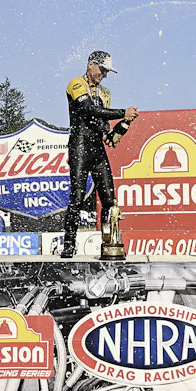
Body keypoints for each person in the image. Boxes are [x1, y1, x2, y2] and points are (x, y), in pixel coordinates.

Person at [62, 51, 138, 258]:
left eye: (106, 72)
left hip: (97, 149)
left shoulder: (105, 92)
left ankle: (108, 243)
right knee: (77, 197)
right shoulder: (76, 84)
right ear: (90, 64)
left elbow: (102, 122)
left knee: (109, 199)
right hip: (79, 147)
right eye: (102, 70)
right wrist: (122, 113)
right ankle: (68, 245)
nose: (103, 75)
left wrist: (116, 131)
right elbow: (88, 110)